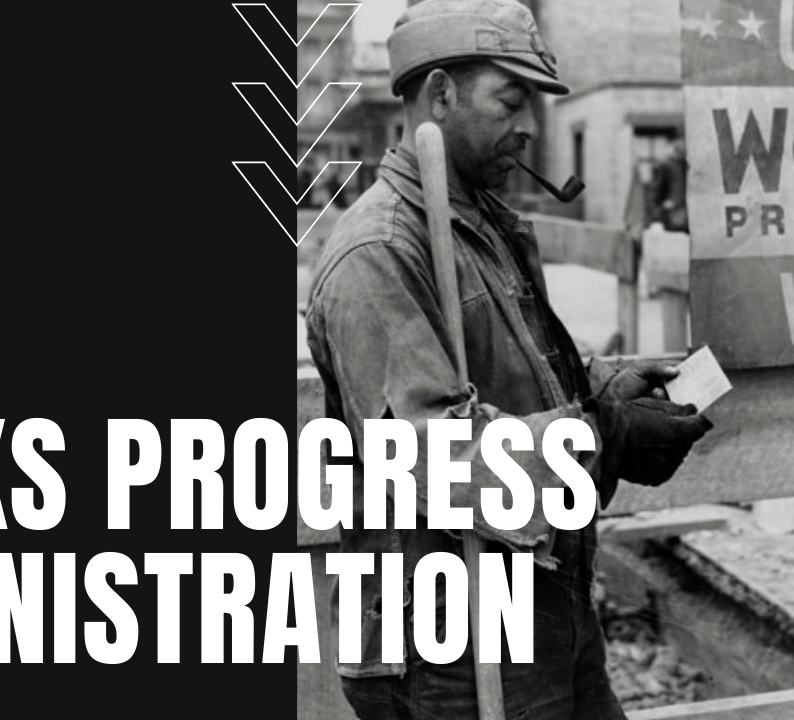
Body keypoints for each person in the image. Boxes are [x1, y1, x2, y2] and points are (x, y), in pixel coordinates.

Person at [304, 1, 713, 718]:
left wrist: (606, 385)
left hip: (540, 605)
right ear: (439, 95)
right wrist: (606, 436)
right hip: (451, 644)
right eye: (511, 100)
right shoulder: (380, 252)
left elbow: (507, 369)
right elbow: (432, 456)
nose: (529, 125)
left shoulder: (480, 223)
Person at [647, 138, 689, 232]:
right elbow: (654, 192)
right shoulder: (664, 166)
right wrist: (656, 217)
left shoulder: (685, 165)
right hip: (670, 214)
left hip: (685, 213)